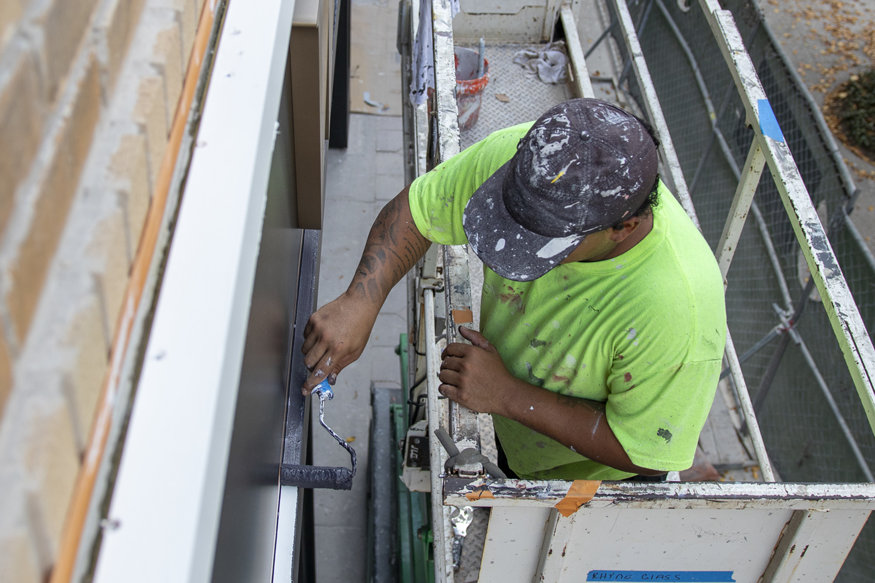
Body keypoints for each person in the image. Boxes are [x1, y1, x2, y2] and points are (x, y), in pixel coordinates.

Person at [301, 98, 727, 481]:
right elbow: (418, 210)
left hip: (586, 482)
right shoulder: (527, 162)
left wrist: (506, 395)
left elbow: (645, 451)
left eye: (544, 239)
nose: (515, 245)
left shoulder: (677, 308)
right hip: (514, 420)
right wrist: (361, 299)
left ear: (625, 227)